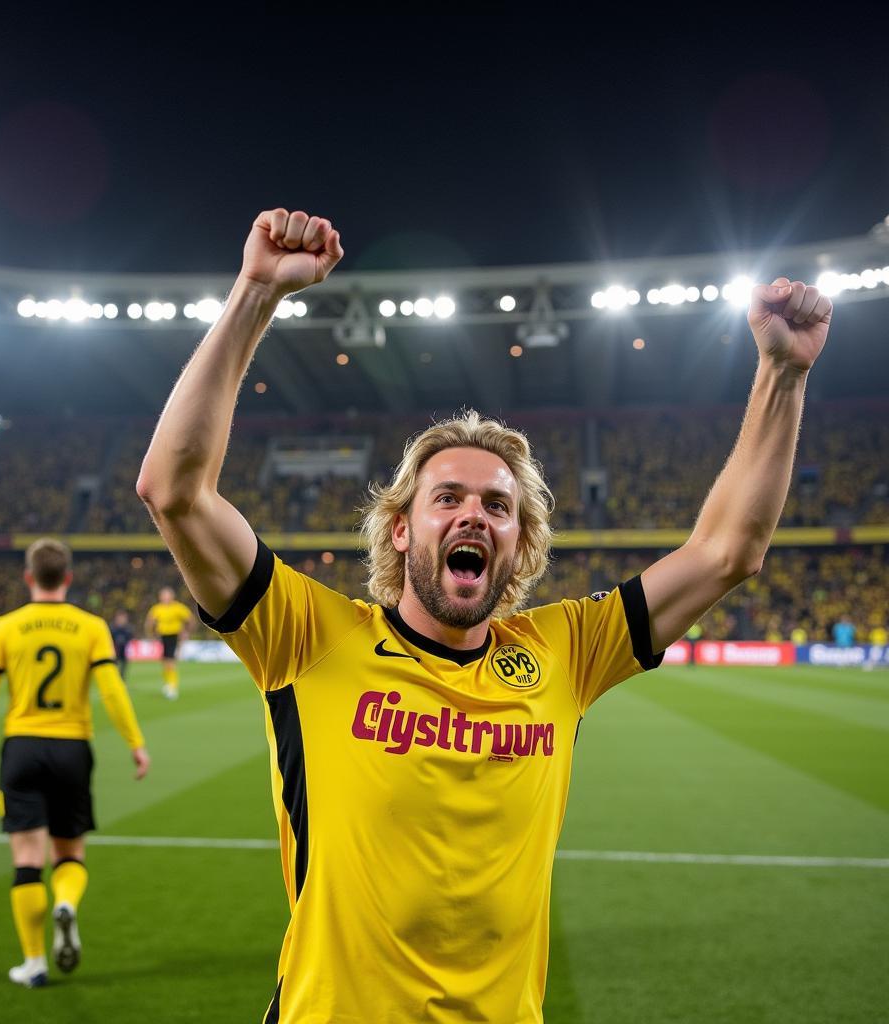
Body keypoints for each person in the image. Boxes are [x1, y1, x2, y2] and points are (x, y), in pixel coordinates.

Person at [136, 208, 832, 1022]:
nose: (474, 514)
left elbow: (728, 552)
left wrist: (783, 374)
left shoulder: (567, 650)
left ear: (520, 539)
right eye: (449, 498)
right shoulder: (309, 636)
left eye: (498, 506)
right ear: (402, 529)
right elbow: (174, 491)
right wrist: (256, 291)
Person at [0, 539, 150, 989]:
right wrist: (136, 743)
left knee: (25, 861)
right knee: (69, 855)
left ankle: (35, 962)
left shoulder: (6, 626)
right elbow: (113, 691)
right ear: (68, 578)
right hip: (72, 749)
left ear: (28, 577)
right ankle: (67, 904)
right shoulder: (90, 626)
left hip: (20, 748)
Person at [144, 586, 192, 699]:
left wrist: (186, 632)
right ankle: (168, 683)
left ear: (172, 596)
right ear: (160, 597)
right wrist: (151, 634)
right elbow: (149, 622)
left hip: (174, 636)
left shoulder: (178, 607)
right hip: (162, 636)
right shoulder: (157, 608)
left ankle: (172, 687)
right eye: (163, 596)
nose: (165, 598)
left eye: (167, 595)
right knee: (165, 661)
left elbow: (190, 620)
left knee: (170, 661)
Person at [110, 609, 134, 680]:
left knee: (124, 664)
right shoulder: (113, 627)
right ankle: (115, 677)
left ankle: (121, 678)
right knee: (114, 664)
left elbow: (130, 638)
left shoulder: (128, 628)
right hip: (115, 649)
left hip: (124, 650)